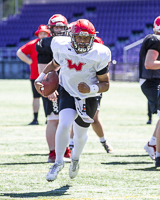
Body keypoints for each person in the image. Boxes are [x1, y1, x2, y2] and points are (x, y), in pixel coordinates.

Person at [35, 19, 111, 181]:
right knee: (63, 124)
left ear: (92, 38)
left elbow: (105, 84)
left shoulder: (99, 53)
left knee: (80, 134)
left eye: (86, 38)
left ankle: (75, 159)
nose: (82, 42)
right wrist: (40, 78)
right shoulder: (62, 46)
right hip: (68, 91)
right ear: (72, 37)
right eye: (79, 38)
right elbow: (54, 64)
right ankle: (58, 162)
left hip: (89, 96)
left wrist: (90, 89)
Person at [68, 36, 113, 153]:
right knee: (73, 114)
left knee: (94, 117)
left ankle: (104, 141)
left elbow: (104, 63)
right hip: (74, 85)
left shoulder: (97, 43)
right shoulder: (69, 44)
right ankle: (71, 143)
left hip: (93, 86)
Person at [36, 14, 71, 163]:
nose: (59, 30)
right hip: (55, 84)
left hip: (69, 85)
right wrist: (49, 87)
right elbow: (43, 69)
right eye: (56, 27)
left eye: (61, 27)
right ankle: (53, 152)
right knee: (53, 119)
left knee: (67, 120)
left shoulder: (71, 41)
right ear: (51, 28)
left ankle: (66, 149)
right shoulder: (45, 44)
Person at [17, 25, 50, 125]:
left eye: (45, 33)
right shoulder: (33, 44)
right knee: (36, 97)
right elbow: (19, 52)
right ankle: (35, 118)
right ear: (38, 34)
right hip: (35, 76)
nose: (43, 35)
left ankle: (49, 117)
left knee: (48, 97)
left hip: (48, 77)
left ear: (48, 34)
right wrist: (29, 61)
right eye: (41, 33)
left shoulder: (51, 44)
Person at [139, 16, 160, 168]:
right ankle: (158, 153)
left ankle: (152, 145)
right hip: (152, 82)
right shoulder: (156, 40)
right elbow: (150, 63)